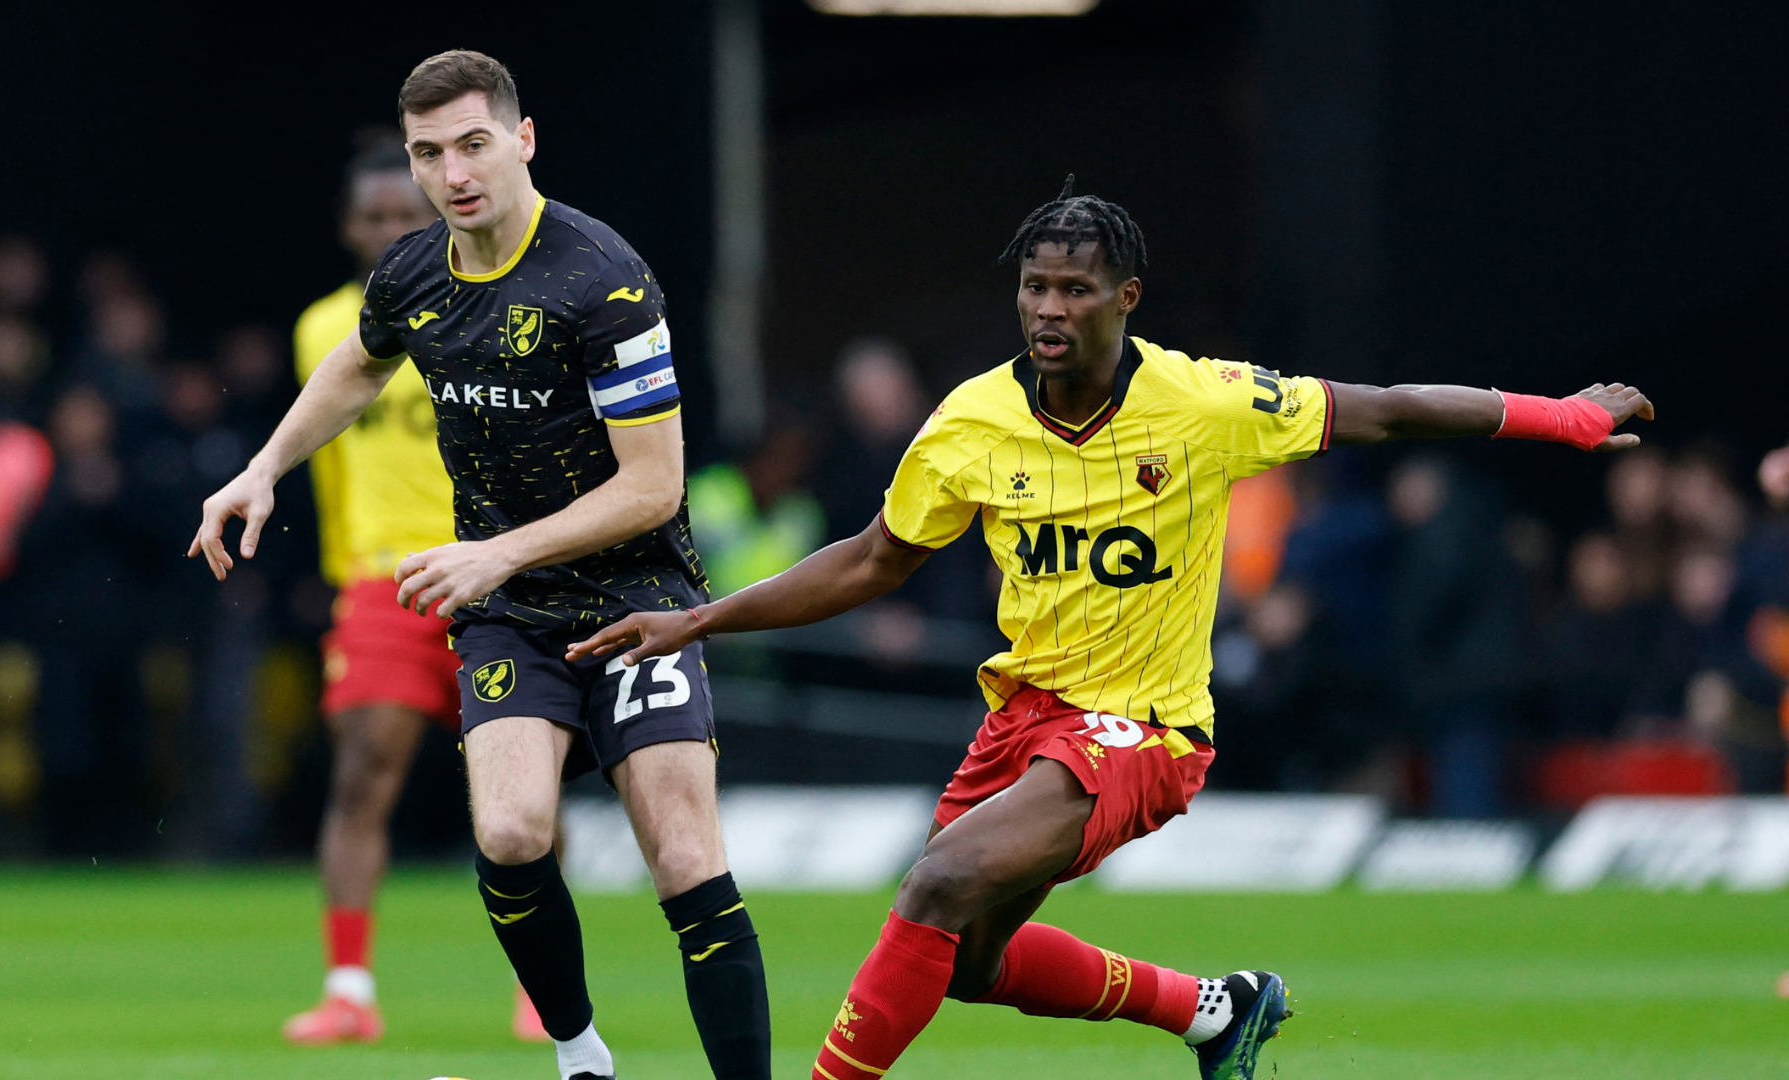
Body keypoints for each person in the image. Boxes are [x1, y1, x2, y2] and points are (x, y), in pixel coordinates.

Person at [568, 177, 1655, 1080]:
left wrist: (1561, 416)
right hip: (1020, 722)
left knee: (937, 882)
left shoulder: (1206, 403)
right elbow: (868, 560)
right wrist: (701, 620)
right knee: (970, 961)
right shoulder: (970, 422)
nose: (1047, 309)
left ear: (1125, 298)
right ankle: (1213, 1012)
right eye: (1034, 287)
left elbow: (1386, 404)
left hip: (1144, 730)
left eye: (1074, 290)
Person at [190, 51, 768, 1080]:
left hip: (639, 600)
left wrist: (490, 551)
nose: (454, 174)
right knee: (508, 834)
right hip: (508, 610)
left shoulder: (605, 278)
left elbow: (655, 487)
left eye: (472, 145)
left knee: (683, 856)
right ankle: (582, 1058)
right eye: (429, 154)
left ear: (522, 139)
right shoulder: (415, 270)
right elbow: (359, 360)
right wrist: (264, 468)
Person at [278, 135, 545, 1045]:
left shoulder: (498, 305)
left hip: (494, 570)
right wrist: (341, 567)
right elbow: (330, 466)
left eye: (405, 212)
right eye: (373, 216)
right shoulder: (324, 329)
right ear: (350, 228)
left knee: (524, 789)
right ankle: (349, 989)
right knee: (360, 778)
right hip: (384, 580)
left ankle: (543, 986)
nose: (391, 228)